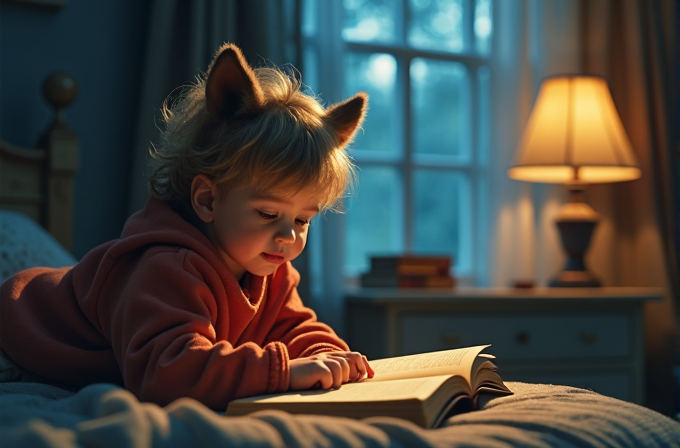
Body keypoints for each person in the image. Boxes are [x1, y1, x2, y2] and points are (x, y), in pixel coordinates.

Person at [0, 43, 373, 410]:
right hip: (16, 343)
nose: (289, 236)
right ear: (208, 200)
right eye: (267, 213)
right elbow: (166, 374)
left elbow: (294, 329)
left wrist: (328, 355)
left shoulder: (271, 269)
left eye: (303, 219)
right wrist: (282, 372)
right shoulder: (167, 267)